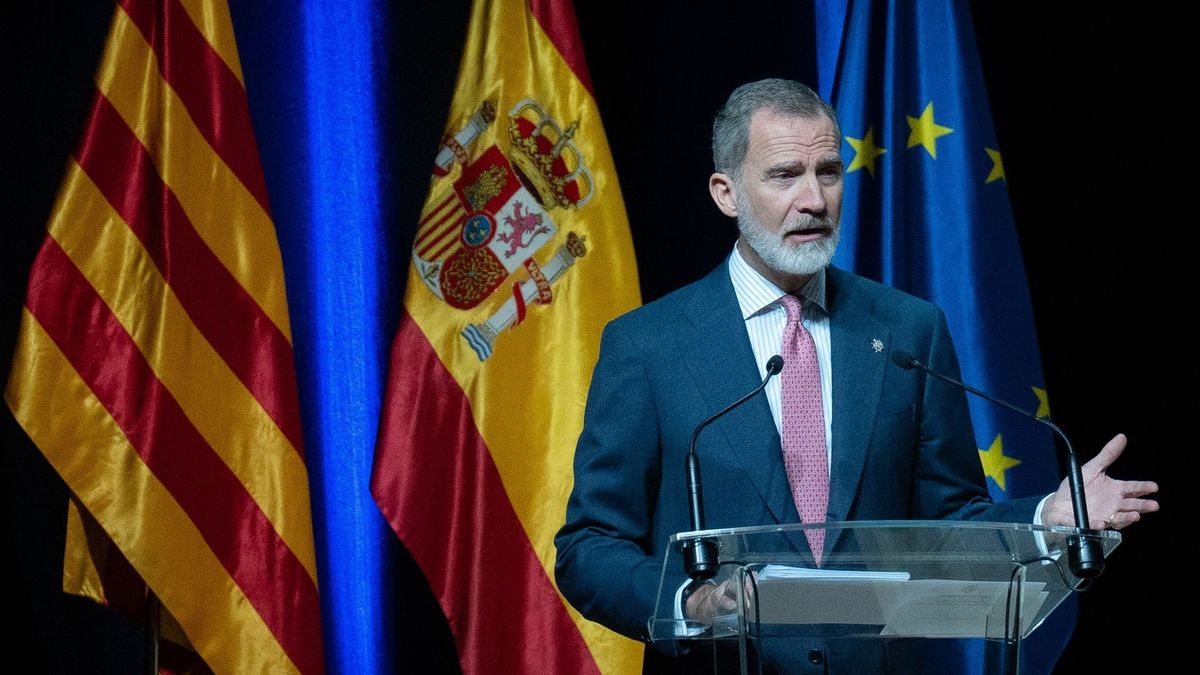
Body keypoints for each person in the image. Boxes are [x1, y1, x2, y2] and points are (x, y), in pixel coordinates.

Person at [553, 78, 1159, 673]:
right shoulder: (648, 346)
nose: (814, 199)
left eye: (829, 172)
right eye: (785, 175)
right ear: (726, 192)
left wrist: (1043, 517)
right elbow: (589, 547)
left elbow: (948, 522)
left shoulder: (908, 329)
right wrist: (693, 601)